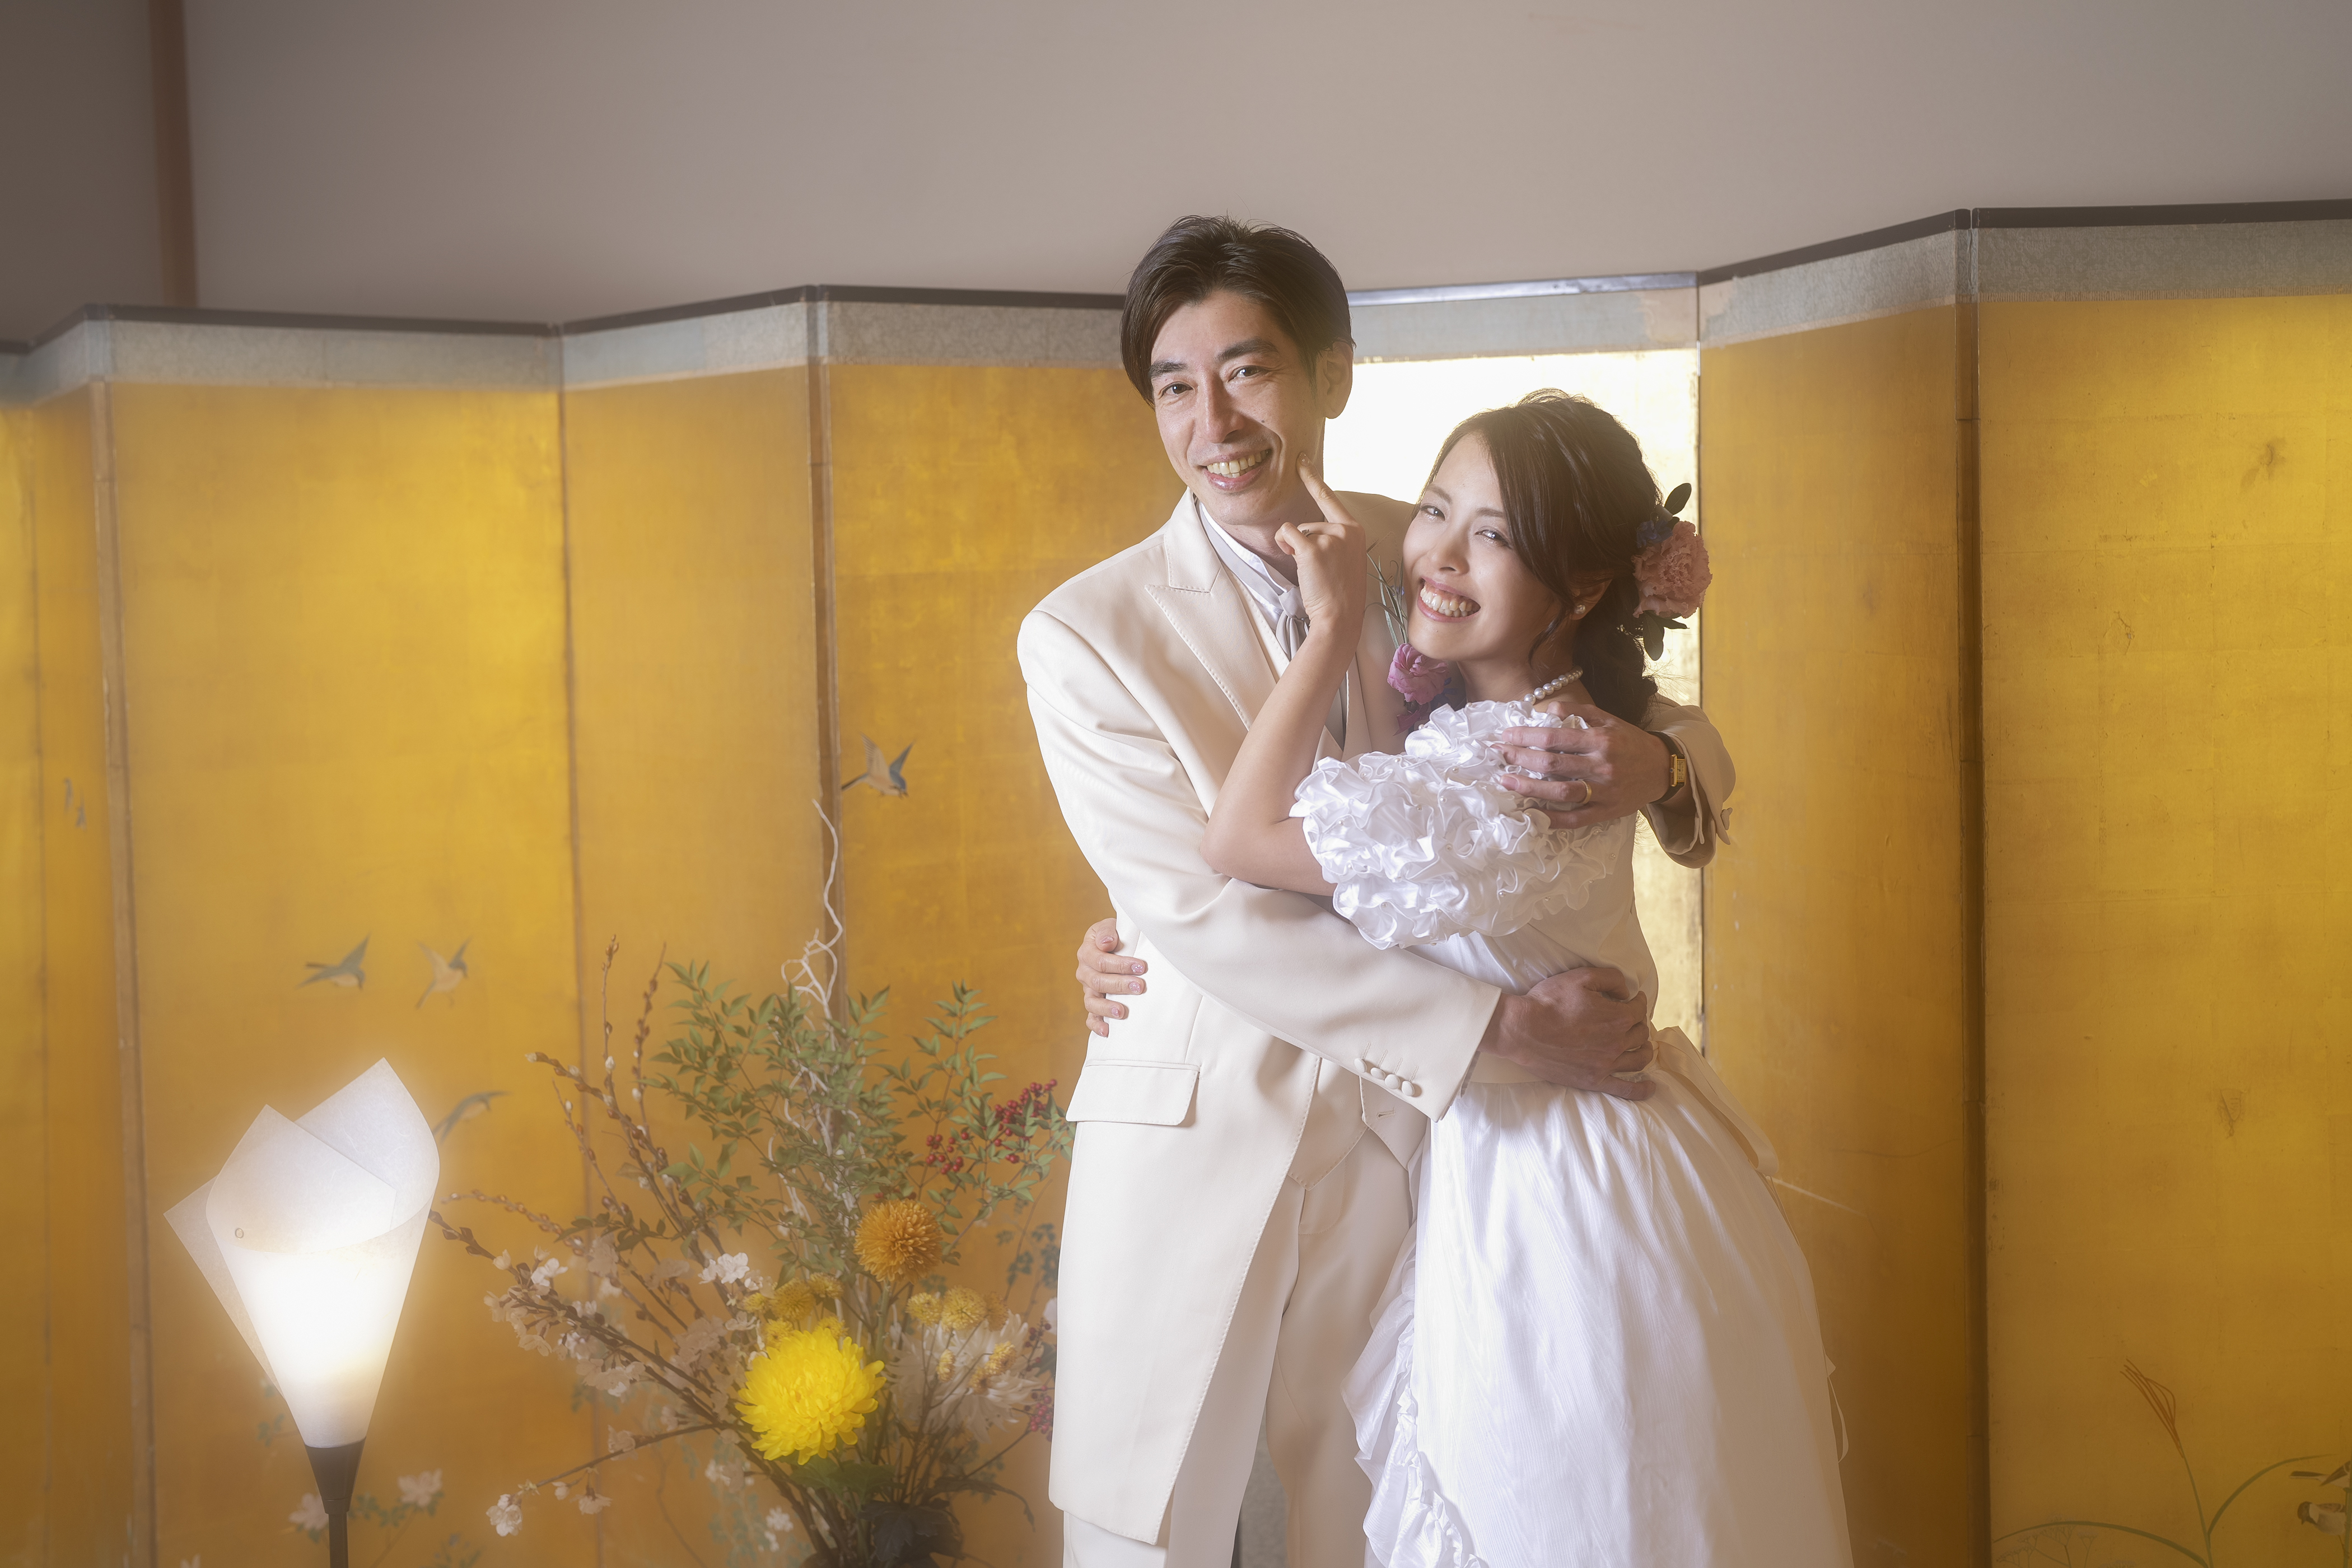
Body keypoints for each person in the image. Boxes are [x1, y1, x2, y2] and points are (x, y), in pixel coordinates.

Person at [1018, 216, 1735, 1568]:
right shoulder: (1084, 632)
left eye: (1248, 370)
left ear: (1333, 374)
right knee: (1143, 1531)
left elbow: (1627, 696)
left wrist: (1663, 763)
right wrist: (1496, 1029)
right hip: (1207, 1117)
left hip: (1422, 1150)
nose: (1214, 421)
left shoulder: (1439, 546)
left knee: (1390, 1518)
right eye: (1174, 386)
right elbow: (1199, 905)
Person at [1195, 391, 1850, 1564]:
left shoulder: (1522, 767)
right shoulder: (1536, 726)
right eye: (1435, 509)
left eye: (1492, 534)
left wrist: (1334, 622)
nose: (1441, 553)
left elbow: (1240, 841)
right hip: (1603, 1164)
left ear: (1586, 585)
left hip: (1570, 1203)